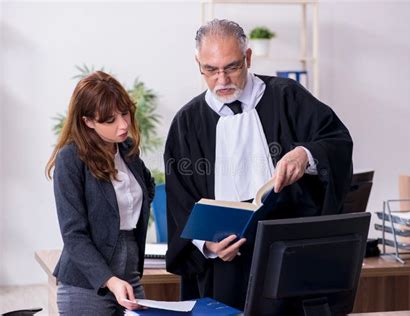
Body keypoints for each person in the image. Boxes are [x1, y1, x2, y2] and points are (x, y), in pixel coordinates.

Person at [164, 19, 353, 310]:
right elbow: (180, 202)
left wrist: (305, 154)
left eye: (232, 67)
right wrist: (207, 246)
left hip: (287, 260)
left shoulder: (286, 96)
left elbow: (337, 141)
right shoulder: (187, 123)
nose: (222, 80)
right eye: (211, 70)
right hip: (224, 268)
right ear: (198, 63)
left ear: (248, 58)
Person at [45, 71, 155, 315]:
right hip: (86, 285)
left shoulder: (127, 151)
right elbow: (74, 235)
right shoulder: (70, 159)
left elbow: (146, 190)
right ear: (88, 121)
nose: (123, 124)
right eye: (110, 119)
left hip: (130, 279)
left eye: (124, 112)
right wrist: (110, 280)